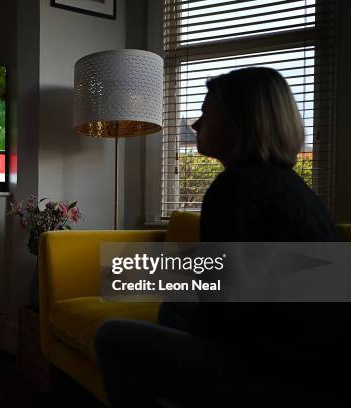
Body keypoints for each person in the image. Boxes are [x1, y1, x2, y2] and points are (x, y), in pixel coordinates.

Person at [95, 67, 344, 407]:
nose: (195, 125)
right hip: (314, 363)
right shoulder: (294, 189)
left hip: (277, 374)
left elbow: (229, 320)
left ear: (240, 124)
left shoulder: (235, 189)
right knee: (175, 305)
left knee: (112, 337)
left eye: (206, 116)